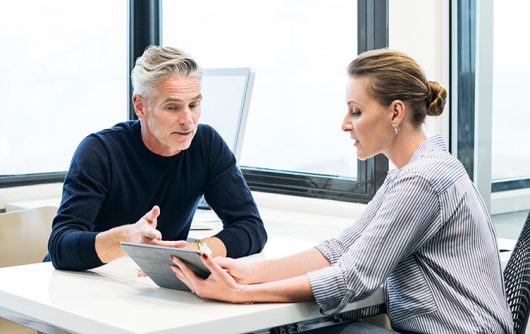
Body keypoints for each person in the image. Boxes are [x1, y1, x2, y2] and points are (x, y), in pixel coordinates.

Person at [168, 49, 514, 333]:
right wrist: (241, 271)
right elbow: (340, 249)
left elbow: (352, 278)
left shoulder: (421, 181)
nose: (345, 124)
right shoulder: (412, 172)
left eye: (356, 111)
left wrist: (241, 294)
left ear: (396, 112)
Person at [47, 46, 267, 271]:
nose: (188, 120)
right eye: (172, 107)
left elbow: (251, 227)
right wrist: (127, 238)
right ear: (140, 106)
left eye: (193, 105)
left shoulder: (206, 144)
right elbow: (60, 247)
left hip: (148, 282)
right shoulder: (99, 151)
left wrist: (198, 250)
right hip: (82, 281)